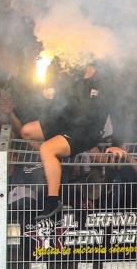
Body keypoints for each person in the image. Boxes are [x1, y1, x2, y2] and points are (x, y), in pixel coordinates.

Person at [15, 59, 123, 220]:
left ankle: (53, 201)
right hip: (65, 123)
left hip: (86, 130)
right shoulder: (71, 73)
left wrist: (116, 144)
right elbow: (57, 99)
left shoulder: (105, 81)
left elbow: (117, 111)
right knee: (26, 131)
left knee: (47, 149)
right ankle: (55, 156)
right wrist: (49, 95)